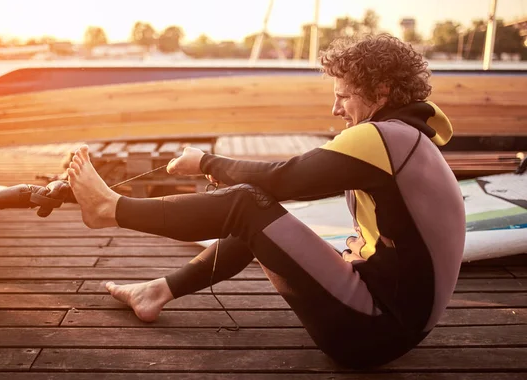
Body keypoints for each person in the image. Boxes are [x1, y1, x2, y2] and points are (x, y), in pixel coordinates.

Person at [66, 33, 466, 369]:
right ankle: (156, 292)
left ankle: (110, 209)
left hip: (372, 330)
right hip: (393, 324)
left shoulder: (385, 137)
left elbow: (286, 178)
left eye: (343, 96)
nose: (335, 108)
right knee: (261, 214)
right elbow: (283, 186)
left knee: (246, 205)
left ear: (381, 91)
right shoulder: (410, 139)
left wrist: (204, 161)